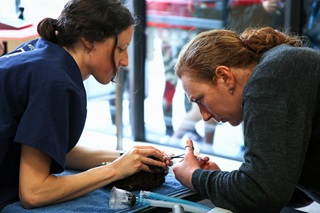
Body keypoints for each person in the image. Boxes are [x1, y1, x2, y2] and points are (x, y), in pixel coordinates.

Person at [0, 0, 172, 210]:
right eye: (121, 48)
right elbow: (34, 192)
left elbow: (49, 148)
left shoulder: (43, 53)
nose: (125, 61)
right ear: (89, 41)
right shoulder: (55, 83)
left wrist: (130, 158)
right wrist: (115, 170)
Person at [172, 26, 320, 212]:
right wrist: (224, 183)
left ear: (225, 77)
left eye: (200, 100)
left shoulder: (270, 78)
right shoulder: (279, 68)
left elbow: (261, 193)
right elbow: (285, 190)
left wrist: (194, 176)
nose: (204, 115)